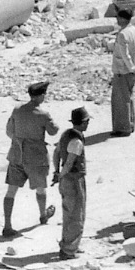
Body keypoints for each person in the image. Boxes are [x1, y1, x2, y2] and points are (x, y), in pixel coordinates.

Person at [3, 81, 60, 237]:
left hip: (17, 155)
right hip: (36, 157)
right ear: (41, 96)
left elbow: (9, 131)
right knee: (40, 188)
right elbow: (53, 131)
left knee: (11, 191)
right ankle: (43, 215)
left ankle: (7, 225)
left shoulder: (17, 110)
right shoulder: (43, 114)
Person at [55, 105, 90, 260]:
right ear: (83, 122)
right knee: (77, 214)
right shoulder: (77, 141)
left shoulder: (65, 135)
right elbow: (69, 163)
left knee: (68, 213)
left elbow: (56, 153)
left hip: (65, 179)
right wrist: (61, 175)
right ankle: (69, 250)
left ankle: (69, 244)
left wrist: (56, 172)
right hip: (74, 180)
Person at [110, 6, 135, 136]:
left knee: (120, 100)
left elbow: (125, 54)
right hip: (133, 70)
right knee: (128, 98)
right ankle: (130, 124)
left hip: (122, 71)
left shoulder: (123, 34)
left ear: (123, 18)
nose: (117, 20)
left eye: (118, 18)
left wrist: (130, 67)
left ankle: (122, 128)